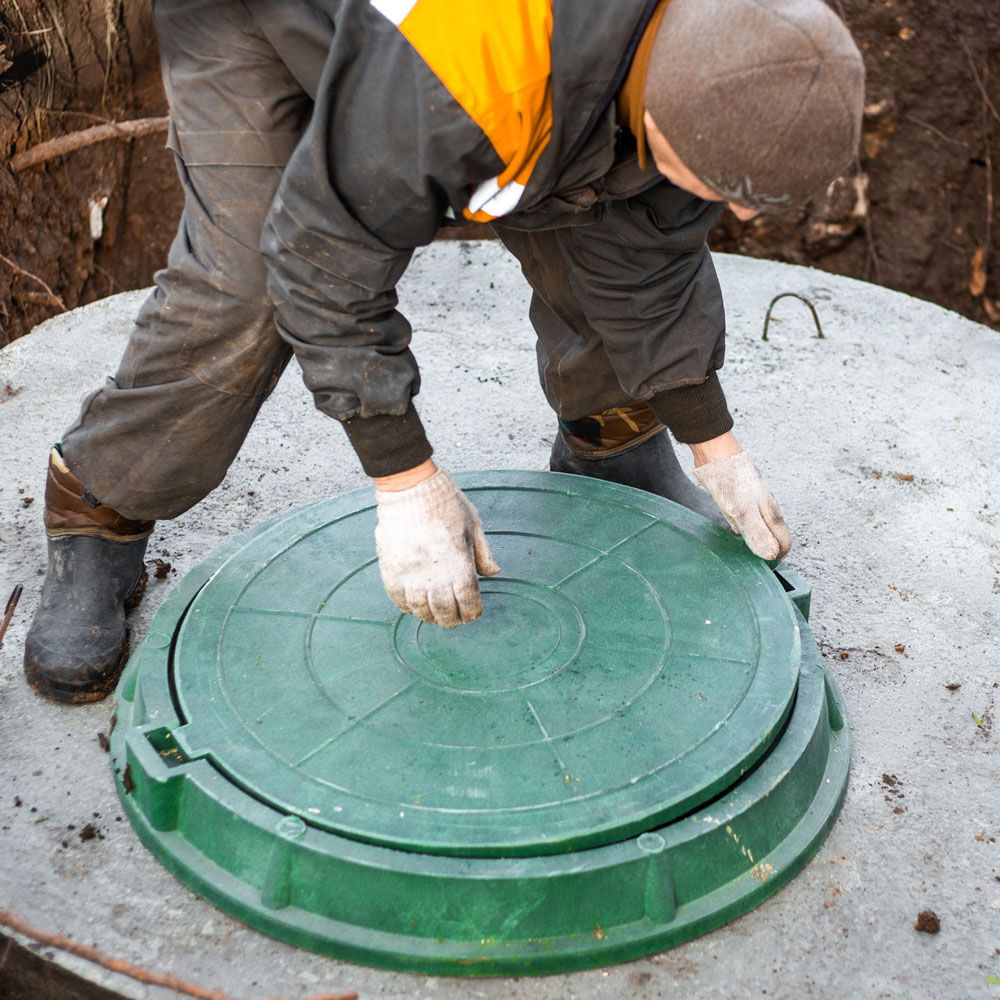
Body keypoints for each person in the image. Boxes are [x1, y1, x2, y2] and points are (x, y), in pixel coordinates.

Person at [23, 0, 865, 703]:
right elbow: (324, 255)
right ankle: (100, 504)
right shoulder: (478, 79)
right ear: (656, 97)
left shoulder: (734, 37)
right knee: (245, 288)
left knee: (611, 197)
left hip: (487, 72)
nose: (738, 217)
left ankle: (614, 442)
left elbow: (647, 245)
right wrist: (407, 482)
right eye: (722, 187)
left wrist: (711, 436)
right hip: (269, 25)